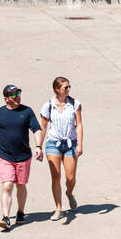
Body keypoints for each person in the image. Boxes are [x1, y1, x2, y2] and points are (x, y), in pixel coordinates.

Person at [0, 84, 43, 231]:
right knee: (7, 185)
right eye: (13, 95)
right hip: (5, 157)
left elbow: (36, 129)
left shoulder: (27, 111)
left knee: (21, 185)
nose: (17, 97)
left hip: (24, 157)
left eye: (18, 94)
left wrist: (38, 146)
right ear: (6, 99)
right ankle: (5, 217)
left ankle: (20, 212)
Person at [39, 76, 83, 221]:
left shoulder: (75, 104)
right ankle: (59, 208)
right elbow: (43, 127)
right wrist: (38, 146)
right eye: (66, 87)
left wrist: (80, 144)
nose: (68, 89)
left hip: (71, 143)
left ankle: (69, 193)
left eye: (69, 86)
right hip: (53, 143)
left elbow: (79, 124)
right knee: (56, 177)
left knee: (70, 178)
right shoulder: (48, 105)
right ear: (57, 89)